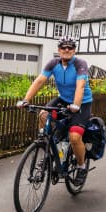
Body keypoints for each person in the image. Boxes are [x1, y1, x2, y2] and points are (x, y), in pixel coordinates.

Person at [18, 37, 92, 184]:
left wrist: (76, 105)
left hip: (82, 103)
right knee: (43, 115)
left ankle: (81, 166)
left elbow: (80, 87)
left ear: (74, 50)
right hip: (63, 99)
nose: (66, 50)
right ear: (59, 50)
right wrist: (26, 100)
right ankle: (46, 148)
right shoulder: (53, 63)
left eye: (70, 47)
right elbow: (39, 81)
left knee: (75, 137)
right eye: (63, 47)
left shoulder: (80, 64)